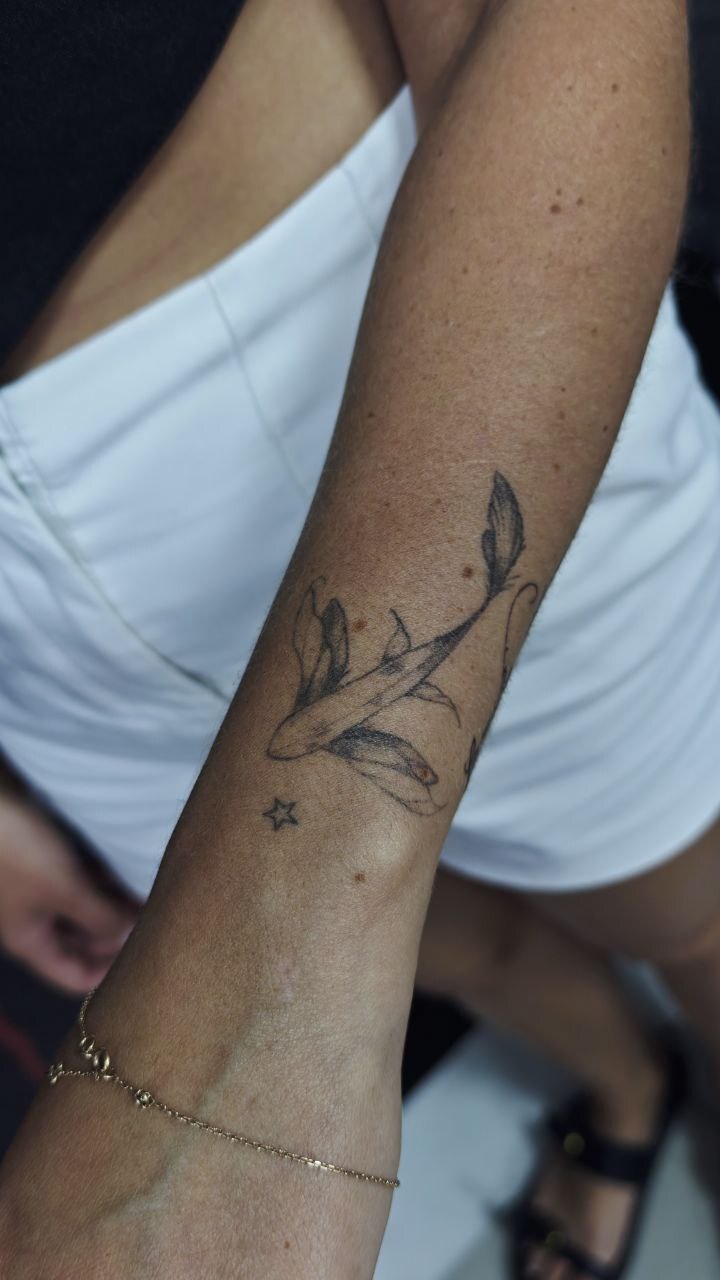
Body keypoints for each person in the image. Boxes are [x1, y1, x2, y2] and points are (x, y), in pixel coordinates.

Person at [0, 2, 716, 1278]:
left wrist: (287, 924)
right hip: (37, 673)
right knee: (460, 950)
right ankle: (625, 1080)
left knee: (679, 894)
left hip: (419, 372)